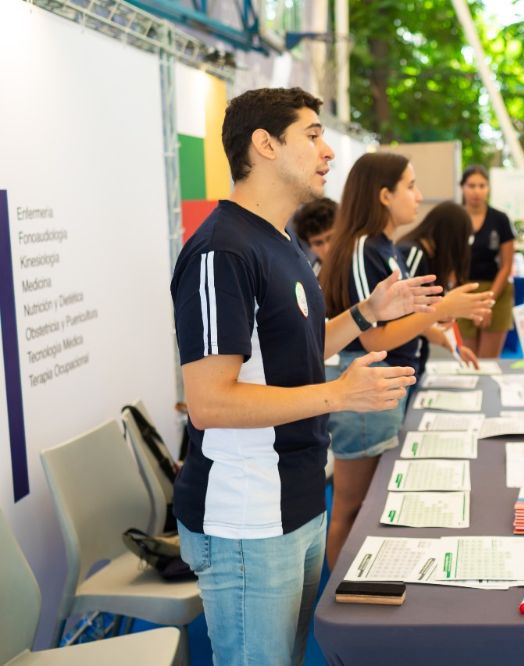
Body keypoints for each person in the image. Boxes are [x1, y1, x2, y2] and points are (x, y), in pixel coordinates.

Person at [170, 87, 444, 666]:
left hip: (295, 499)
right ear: (264, 144)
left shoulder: (283, 243)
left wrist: (368, 313)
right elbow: (210, 403)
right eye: (313, 135)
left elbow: (295, 349)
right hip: (246, 514)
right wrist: (339, 393)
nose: (328, 152)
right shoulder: (222, 250)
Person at [320, 154, 494, 569]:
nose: (419, 197)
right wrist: (438, 313)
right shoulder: (365, 248)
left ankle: (354, 593)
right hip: (366, 386)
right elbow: (374, 337)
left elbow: (399, 323)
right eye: (411, 186)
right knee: (350, 509)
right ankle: (341, 604)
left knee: (368, 504)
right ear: (384, 195)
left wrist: (439, 330)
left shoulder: (385, 248)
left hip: (383, 387)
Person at [398, 200, 480, 373]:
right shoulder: (413, 254)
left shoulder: (430, 258)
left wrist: (456, 347)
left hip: (414, 361)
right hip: (399, 361)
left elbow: (424, 318)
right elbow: (404, 318)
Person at [459, 165, 515, 358]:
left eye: (482, 186)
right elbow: (448, 262)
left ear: (488, 188)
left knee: (488, 362)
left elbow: (507, 265)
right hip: (463, 291)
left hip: (495, 291)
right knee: (468, 359)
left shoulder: (500, 219)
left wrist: (487, 302)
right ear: (462, 188)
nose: (476, 191)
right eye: (471, 185)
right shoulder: (455, 218)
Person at [291, 196, 337, 273]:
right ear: (309, 247)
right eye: (318, 243)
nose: (327, 249)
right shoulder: (312, 279)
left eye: (331, 238)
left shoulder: (362, 256)